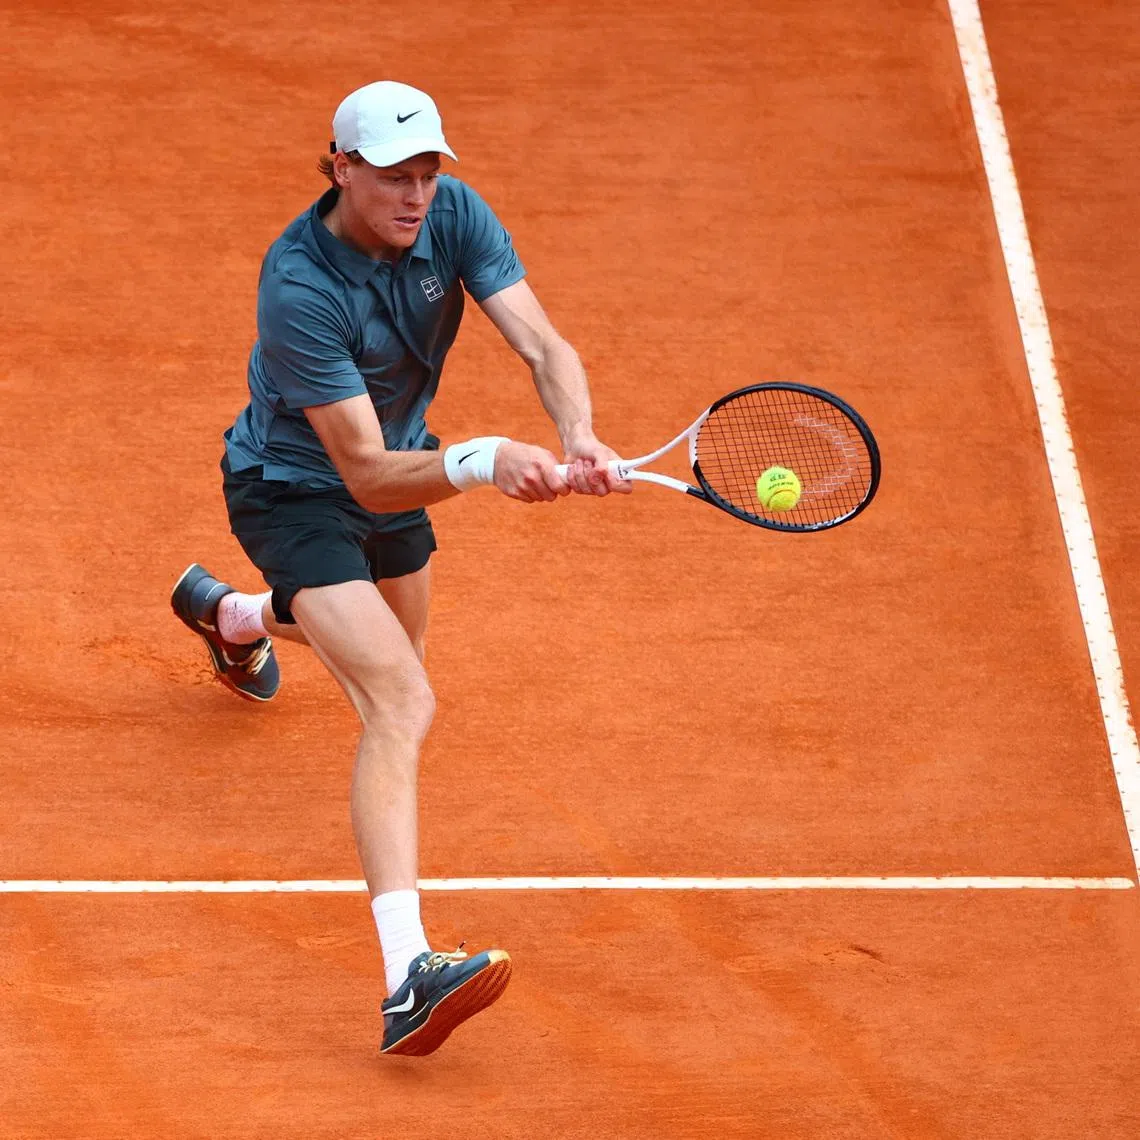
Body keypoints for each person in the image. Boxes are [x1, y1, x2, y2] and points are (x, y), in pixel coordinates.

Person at [171, 80, 627, 1056]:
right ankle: (406, 977)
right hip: (298, 492)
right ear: (341, 167)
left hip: (403, 467)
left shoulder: (450, 213)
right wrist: (485, 459)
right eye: (391, 178)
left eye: (426, 174)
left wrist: (576, 433)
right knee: (400, 700)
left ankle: (237, 622)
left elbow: (542, 341)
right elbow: (369, 477)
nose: (415, 196)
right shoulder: (299, 285)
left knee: (391, 652)